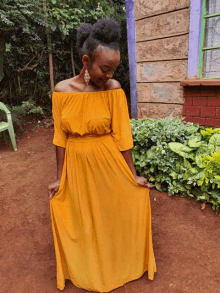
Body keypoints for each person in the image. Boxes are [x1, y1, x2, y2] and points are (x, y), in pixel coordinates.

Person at [48, 18, 156, 292]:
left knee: (112, 214)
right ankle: (88, 266)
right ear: (86, 60)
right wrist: (60, 178)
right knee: (82, 218)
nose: (108, 75)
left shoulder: (114, 90)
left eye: (113, 69)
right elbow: (60, 138)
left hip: (109, 162)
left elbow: (122, 137)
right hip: (78, 164)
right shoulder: (61, 92)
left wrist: (132, 176)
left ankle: (117, 262)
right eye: (104, 69)